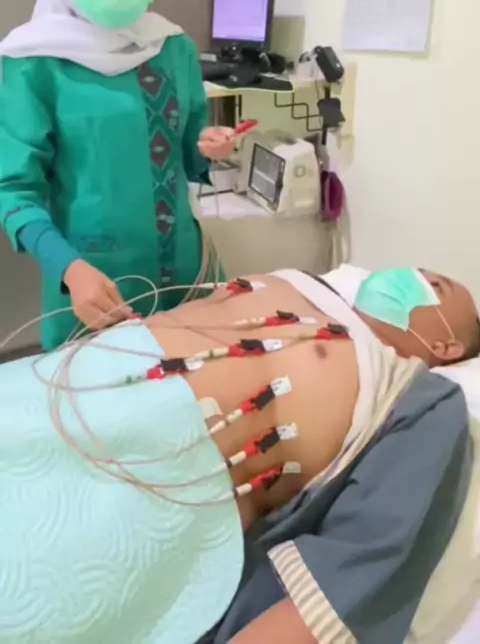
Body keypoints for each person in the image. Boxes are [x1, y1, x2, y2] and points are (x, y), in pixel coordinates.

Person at [0, 265, 476, 644]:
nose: (419, 276)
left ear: (447, 346)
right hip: (50, 388)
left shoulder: (422, 399)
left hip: (133, 486)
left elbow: (361, 569)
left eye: (440, 286)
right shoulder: (306, 282)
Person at [0, 0, 235, 350]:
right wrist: (69, 269)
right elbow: (14, 191)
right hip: (93, 289)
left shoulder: (172, 47)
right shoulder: (32, 62)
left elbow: (185, 151)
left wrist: (207, 147)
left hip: (188, 276)